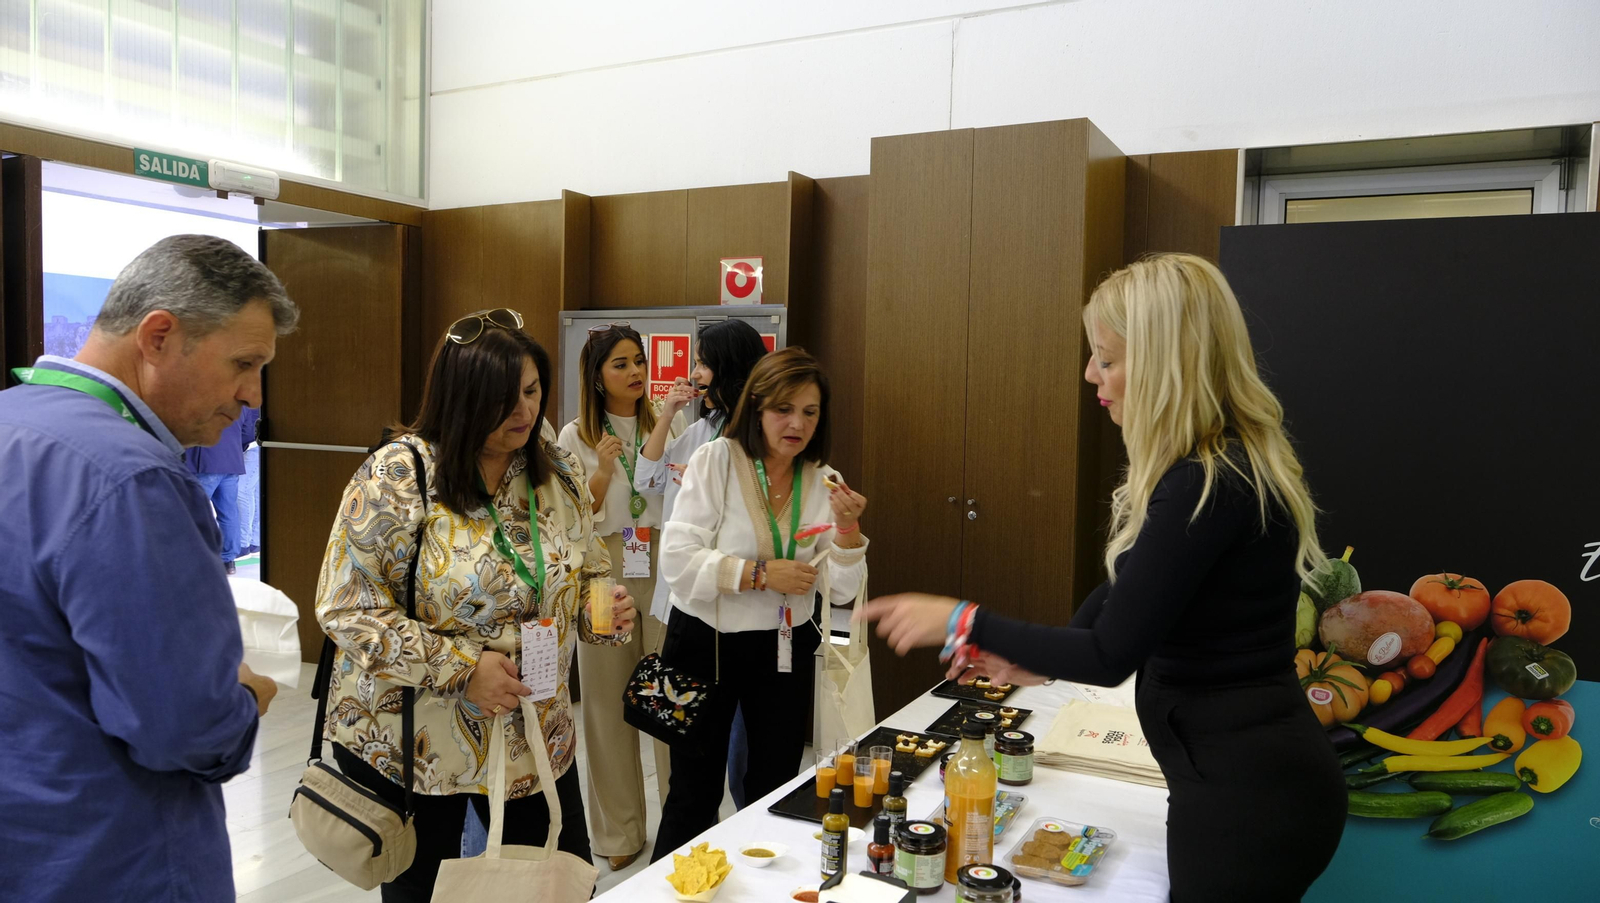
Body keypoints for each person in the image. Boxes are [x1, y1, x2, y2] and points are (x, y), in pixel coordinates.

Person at [859, 253, 1346, 902]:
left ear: (1166, 362)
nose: (1092, 374)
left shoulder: (1207, 480)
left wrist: (960, 617)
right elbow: (1126, 597)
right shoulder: (1218, 466)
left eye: (1107, 358)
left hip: (1250, 797)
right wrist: (1030, 661)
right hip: (1242, 778)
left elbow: (1111, 651)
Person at [0, 235, 290, 902]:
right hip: (116, 859)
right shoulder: (132, 479)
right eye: (244, 364)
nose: (251, 395)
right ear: (158, 335)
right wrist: (245, 697)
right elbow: (185, 726)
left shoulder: (11, 424)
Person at [314, 309, 636, 901]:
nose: (524, 412)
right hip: (425, 749)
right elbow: (346, 609)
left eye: (533, 391)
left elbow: (588, 564)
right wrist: (462, 669)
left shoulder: (552, 467)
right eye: (502, 399)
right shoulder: (398, 477)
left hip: (536, 736)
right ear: (460, 399)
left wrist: (603, 612)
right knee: (426, 889)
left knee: (557, 884)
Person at [650, 346, 870, 862]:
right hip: (705, 643)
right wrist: (757, 574)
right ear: (757, 407)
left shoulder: (824, 479)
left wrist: (848, 530)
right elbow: (677, 561)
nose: (797, 424)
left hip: (783, 651)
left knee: (775, 787)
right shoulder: (716, 460)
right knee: (693, 793)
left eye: (810, 412)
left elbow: (840, 590)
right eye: (783, 409)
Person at [557, 322, 685, 870]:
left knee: (670, 696)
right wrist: (605, 471)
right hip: (604, 569)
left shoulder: (669, 425)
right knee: (608, 704)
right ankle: (618, 834)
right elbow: (571, 515)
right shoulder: (573, 437)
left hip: (663, 564)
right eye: (621, 364)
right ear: (597, 375)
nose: (636, 372)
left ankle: (682, 824)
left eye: (639, 361)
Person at [634, 319, 769, 809]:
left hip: (740, 609)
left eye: (705, 362)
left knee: (745, 746)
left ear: (729, 369)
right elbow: (646, 478)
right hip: (685, 609)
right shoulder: (696, 432)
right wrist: (667, 413)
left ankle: (744, 822)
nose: (695, 372)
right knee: (692, 746)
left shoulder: (759, 440)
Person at [186, 404, 258, 573]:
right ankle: (228, 561)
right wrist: (232, 448)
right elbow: (248, 432)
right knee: (229, 513)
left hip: (205, 462)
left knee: (194, 512)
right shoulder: (242, 402)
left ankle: (196, 557)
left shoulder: (203, 398)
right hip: (231, 462)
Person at [237, 405, 262, 556]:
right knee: (253, 492)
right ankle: (254, 540)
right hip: (256, 445)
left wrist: (238, 445)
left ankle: (243, 543)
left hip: (251, 446)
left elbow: (248, 429)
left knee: (243, 491)